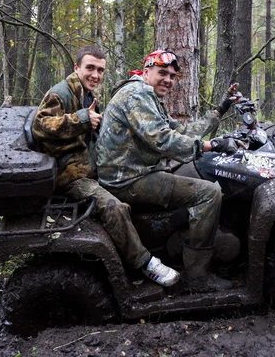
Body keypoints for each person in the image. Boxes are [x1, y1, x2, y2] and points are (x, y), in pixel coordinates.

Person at [31, 45, 179, 287]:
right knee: (115, 207)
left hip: (88, 168)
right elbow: (40, 125)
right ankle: (145, 264)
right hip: (69, 175)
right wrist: (80, 119)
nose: (95, 75)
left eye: (100, 70)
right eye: (90, 68)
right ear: (76, 68)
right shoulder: (61, 93)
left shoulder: (88, 96)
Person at [96, 50, 239, 293]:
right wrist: (210, 145)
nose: (168, 80)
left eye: (172, 76)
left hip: (133, 171)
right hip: (128, 179)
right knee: (209, 193)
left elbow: (181, 131)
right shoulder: (137, 95)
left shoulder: (147, 95)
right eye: (162, 73)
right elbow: (163, 139)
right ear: (146, 71)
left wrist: (220, 110)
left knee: (190, 172)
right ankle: (197, 277)